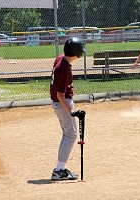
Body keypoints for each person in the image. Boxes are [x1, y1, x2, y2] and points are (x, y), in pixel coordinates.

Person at [50, 37, 85, 180]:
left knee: (67, 134)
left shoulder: (60, 59)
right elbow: (60, 95)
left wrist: (69, 86)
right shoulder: (64, 68)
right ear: (76, 52)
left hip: (58, 103)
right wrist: (72, 112)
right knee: (71, 135)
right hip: (62, 103)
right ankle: (59, 170)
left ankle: (60, 168)